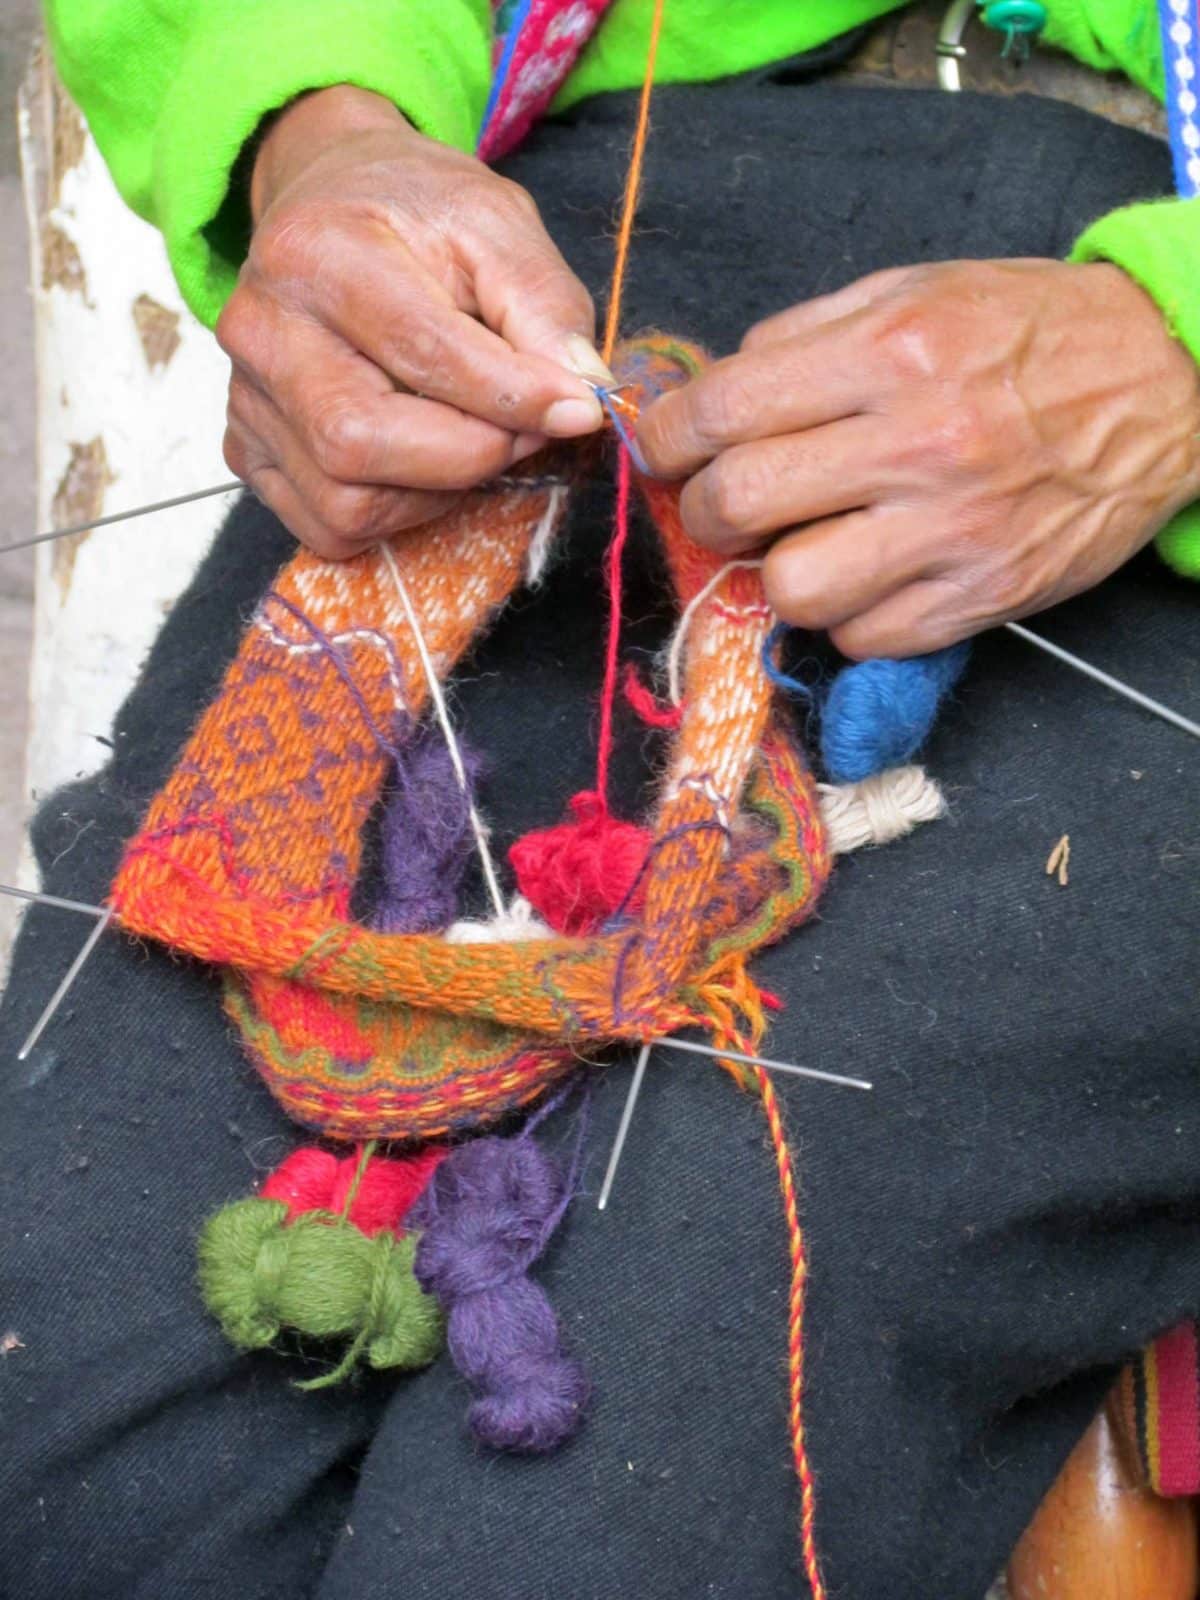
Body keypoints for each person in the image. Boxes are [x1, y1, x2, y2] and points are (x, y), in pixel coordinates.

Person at [1, 4, 1197, 1598]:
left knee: (600, 1491)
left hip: (1155, 415)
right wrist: (327, 136)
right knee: (67, 1423)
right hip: (562, 275)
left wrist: (1172, 349)